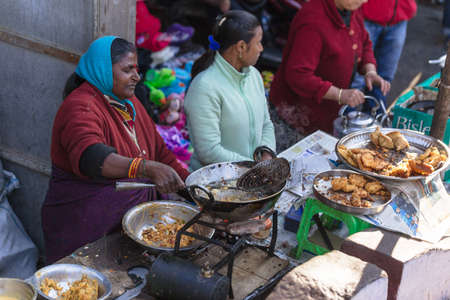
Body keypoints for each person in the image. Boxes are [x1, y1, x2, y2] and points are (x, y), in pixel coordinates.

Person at [42, 36, 189, 263]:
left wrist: (195, 190)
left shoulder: (129, 103)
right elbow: (91, 157)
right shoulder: (80, 106)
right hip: (85, 228)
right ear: (102, 69)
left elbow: (160, 153)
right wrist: (145, 168)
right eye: (127, 69)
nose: (137, 77)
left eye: (137, 69)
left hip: (127, 225)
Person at [269, 0, 391, 135]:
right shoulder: (312, 21)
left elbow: (364, 41)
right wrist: (339, 94)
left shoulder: (350, 9)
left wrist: (370, 71)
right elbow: (298, 75)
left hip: (327, 114)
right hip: (296, 117)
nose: (364, 1)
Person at [184, 10, 276, 171]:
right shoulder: (204, 87)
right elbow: (209, 151)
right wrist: (253, 167)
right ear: (241, 47)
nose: (261, 48)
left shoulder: (253, 75)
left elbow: (266, 124)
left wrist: (267, 155)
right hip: (216, 183)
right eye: (258, 42)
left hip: (251, 176)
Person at [351, 0, 416, 107]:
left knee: (383, 80)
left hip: (399, 18)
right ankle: (345, 120)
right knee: (356, 78)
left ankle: (375, 119)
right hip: (366, 15)